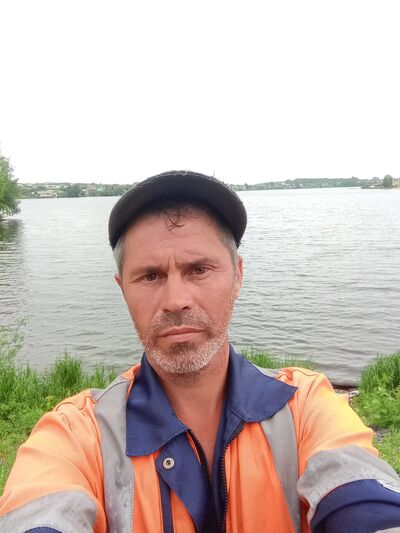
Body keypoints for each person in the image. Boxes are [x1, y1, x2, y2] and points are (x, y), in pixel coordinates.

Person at [1, 170, 399, 533]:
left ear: (237, 275)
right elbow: (41, 511)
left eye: (199, 270)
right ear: (123, 288)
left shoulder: (304, 406)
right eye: (151, 276)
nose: (176, 300)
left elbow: (361, 494)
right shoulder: (78, 434)